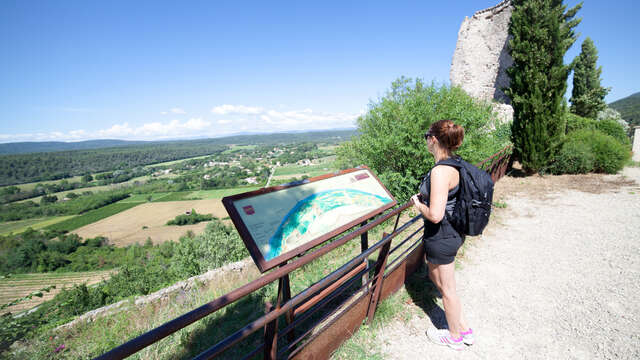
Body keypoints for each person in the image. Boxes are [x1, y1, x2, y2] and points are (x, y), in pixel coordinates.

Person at [410, 119, 474, 351]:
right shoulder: (455, 164)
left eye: (427, 137)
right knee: (437, 279)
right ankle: (464, 328)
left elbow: (436, 215)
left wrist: (417, 204)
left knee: (447, 289)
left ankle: (455, 337)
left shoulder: (440, 171)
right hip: (452, 232)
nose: (426, 141)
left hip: (442, 234)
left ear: (434, 139)